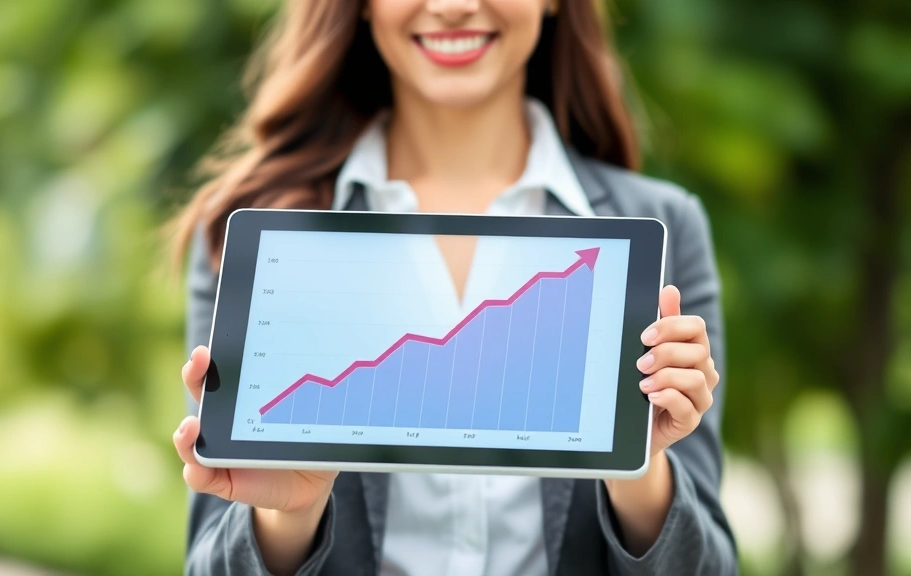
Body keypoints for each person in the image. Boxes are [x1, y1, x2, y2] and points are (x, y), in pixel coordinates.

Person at [170, 0, 737, 574]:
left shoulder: (661, 228)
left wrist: (643, 473)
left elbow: (712, 565)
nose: (453, 7)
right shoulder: (251, 232)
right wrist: (288, 515)